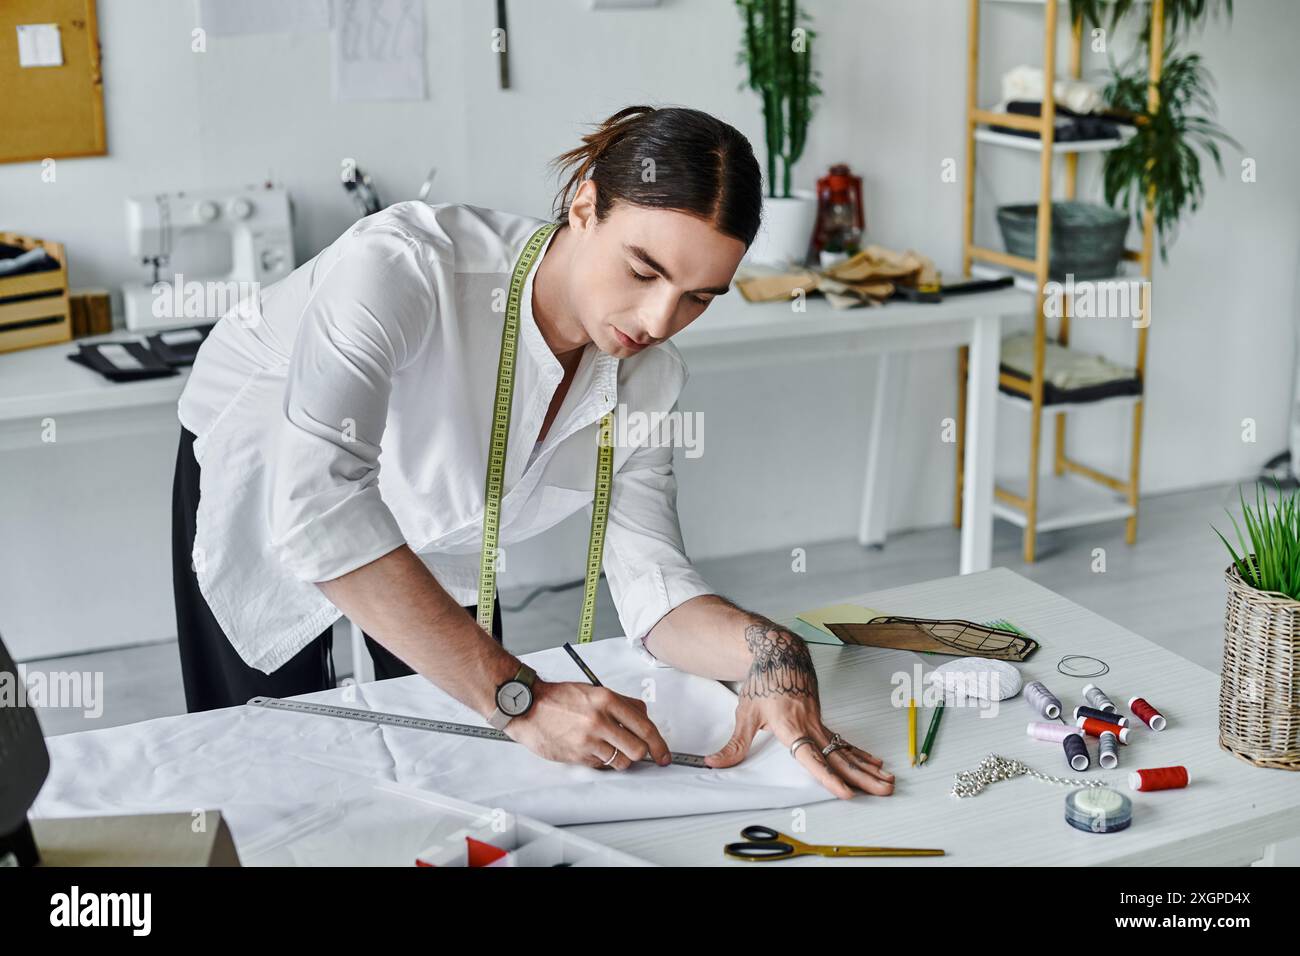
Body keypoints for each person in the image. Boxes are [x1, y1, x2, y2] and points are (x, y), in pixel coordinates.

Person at [171, 105, 893, 800]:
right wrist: (519, 697)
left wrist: (775, 656)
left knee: (466, 760)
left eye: (697, 298)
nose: (658, 321)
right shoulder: (402, 265)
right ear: (584, 207)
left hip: (441, 511)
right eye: (643, 271)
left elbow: (655, 586)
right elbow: (321, 508)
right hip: (268, 464)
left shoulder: (649, 377)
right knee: (269, 753)